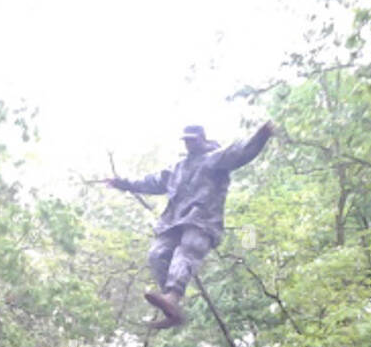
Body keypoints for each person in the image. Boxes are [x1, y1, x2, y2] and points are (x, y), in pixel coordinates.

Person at [108, 120, 274, 328]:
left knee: (187, 250)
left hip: (202, 220)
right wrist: (122, 183)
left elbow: (240, 152)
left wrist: (261, 136)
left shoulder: (214, 159)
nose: (189, 145)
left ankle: (173, 296)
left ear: (202, 139)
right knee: (156, 255)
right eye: (186, 141)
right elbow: (150, 182)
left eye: (192, 140)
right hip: (173, 222)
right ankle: (171, 303)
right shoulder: (177, 168)